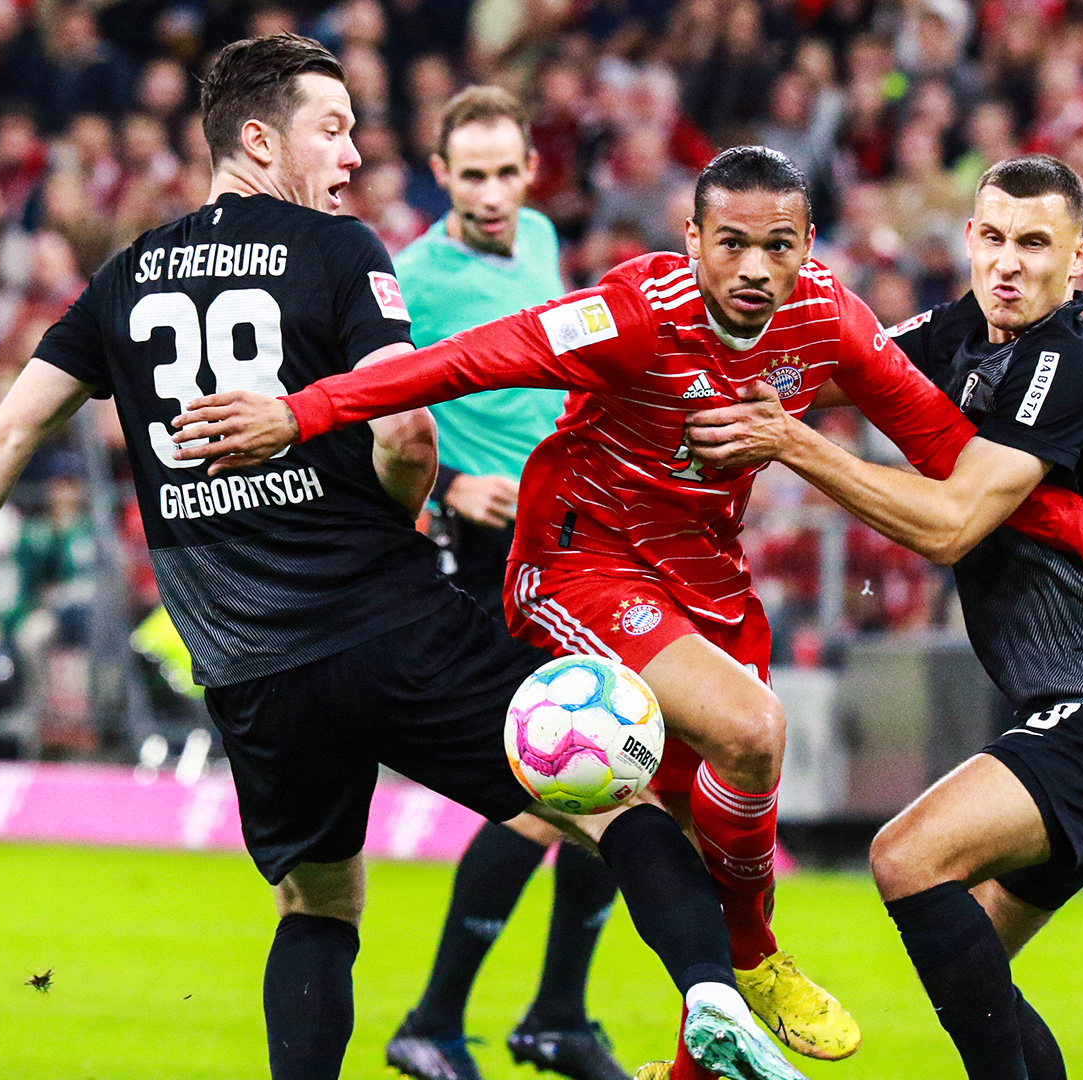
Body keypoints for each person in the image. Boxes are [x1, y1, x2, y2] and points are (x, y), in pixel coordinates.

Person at [0, 35, 809, 1080]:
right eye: (336, 128)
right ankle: (711, 995)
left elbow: (4, 438)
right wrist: (405, 514)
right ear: (260, 139)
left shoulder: (125, 278)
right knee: (617, 800)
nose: (356, 155)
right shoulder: (337, 250)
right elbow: (406, 434)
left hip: (251, 672)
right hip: (389, 624)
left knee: (319, 902)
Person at [167, 146, 1083, 1080]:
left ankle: (693, 1040)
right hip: (582, 563)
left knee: (704, 810)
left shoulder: (828, 320)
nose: (755, 269)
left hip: (709, 576)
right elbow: (467, 360)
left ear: (807, 250)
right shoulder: (631, 312)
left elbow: (948, 465)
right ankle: (743, 962)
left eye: (779, 246)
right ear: (692, 238)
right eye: (734, 243)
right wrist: (300, 412)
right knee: (748, 732)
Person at [682, 155, 1083, 1080]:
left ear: (1078, 257)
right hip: (1071, 704)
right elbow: (830, 367)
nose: (1009, 263)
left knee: (906, 858)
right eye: (995, 238)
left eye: (1036, 244)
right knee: (982, 984)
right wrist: (706, 347)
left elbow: (949, 523)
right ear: (971, 238)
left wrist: (791, 443)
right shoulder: (962, 330)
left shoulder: (1072, 366)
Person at [384, 85, 626, 1080]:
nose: (490, 193)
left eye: (505, 171)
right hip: (488, 560)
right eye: (469, 174)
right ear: (439, 175)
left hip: (567, 542)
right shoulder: (410, 279)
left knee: (611, 773)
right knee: (560, 786)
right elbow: (376, 414)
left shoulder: (535, 240)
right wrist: (445, 493)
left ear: (533, 170)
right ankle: (441, 1020)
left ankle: (553, 1014)